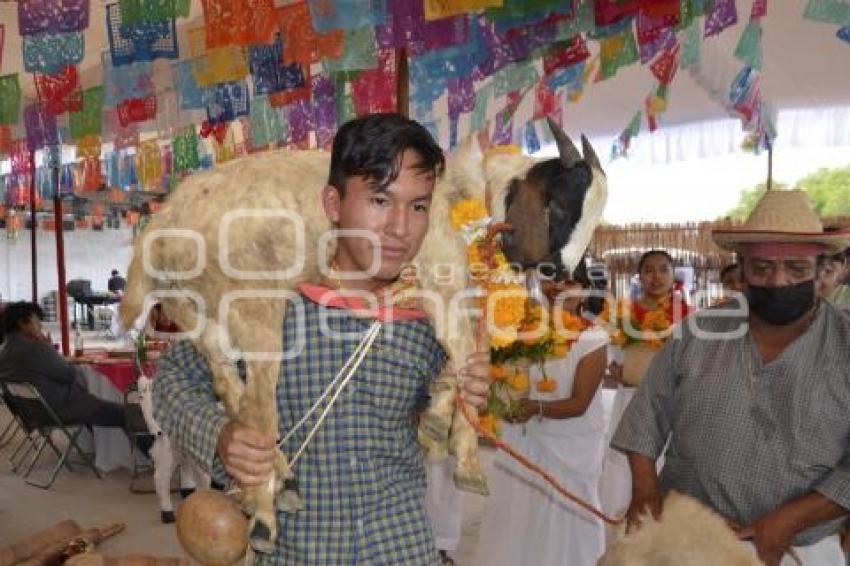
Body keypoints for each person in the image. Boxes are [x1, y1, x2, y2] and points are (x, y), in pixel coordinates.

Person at [152, 114, 491, 564]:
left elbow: (435, 426)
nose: (399, 227)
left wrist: (467, 397)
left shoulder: (432, 314)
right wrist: (221, 436)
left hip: (400, 546)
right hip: (297, 549)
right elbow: (172, 380)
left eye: (418, 206)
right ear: (333, 202)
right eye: (379, 199)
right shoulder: (266, 298)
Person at [612, 189, 850, 566]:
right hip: (686, 544)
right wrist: (644, 489)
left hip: (796, 550)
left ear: (822, 271)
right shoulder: (697, 333)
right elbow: (647, 413)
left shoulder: (844, 343)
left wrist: (790, 520)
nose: (778, 281)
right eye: (762, 268)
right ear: (741, 268)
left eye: (797, 269)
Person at [473, 278, 609, 566]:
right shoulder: (520, 329)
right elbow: (503, 377)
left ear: (584, 289)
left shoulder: (593, 337)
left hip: (570, 442)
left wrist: (536, 408)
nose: (559, 287)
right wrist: (504, 403)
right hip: (524, 437)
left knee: (570, 510)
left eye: (570, 282)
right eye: (553, 280)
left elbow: (580, 403)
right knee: (521, 512)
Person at [600, 250, 691, 518]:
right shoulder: (623, 312)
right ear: (639, 276)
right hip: (628, 399)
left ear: (674, 275)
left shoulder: (686, 314)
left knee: (664, 464)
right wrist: (614, 365)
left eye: (664, 269)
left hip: (671, 404)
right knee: (624, 464)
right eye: (649, 270)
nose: (657, 276)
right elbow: (607, 347)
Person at [0, 301, 125, 427]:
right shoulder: (36, 348)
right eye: (37, 322)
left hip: (28, 413)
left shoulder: (3, 351)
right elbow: (68, 375)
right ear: (22, 324)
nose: (40, 327)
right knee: (128, 414)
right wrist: (49, 349)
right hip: (60, 410)